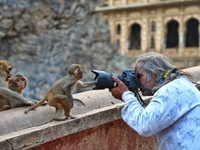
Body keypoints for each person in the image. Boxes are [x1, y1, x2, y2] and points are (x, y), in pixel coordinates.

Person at [109, 52, 200, 150]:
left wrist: (125, 95)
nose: (137, 81)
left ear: (154, 75)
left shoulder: (170, 92)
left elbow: (145, 125)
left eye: (140, 76)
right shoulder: (179, 83)